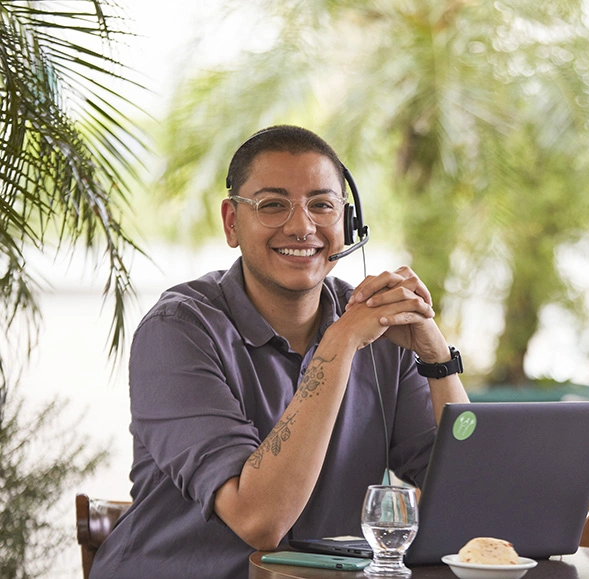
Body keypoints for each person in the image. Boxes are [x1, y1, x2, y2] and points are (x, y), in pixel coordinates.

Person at [90, 125, 469, 579]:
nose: (302, 226)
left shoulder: (379, 331)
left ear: (347, 224)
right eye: (272, 205)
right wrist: (339, 343)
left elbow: (466, 503)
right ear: (232, 222)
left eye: (321, 205)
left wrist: (436, 357)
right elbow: (259, 520)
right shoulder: (177, 332)